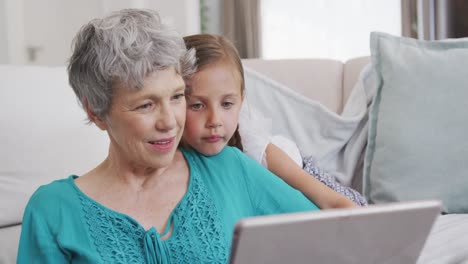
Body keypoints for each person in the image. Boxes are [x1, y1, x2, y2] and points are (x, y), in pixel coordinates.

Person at [17, 9, 319, 263]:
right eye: (146, 105)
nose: (170, 122)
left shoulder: (229, 168)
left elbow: (330, 240)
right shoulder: (52, 210)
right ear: (96, 112)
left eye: (177, 97)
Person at [182, 33, 367, 209]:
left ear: (241, 101)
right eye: (197, 106)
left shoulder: (254, 148)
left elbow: (333, 201)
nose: (215, 121)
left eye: (227, 104)